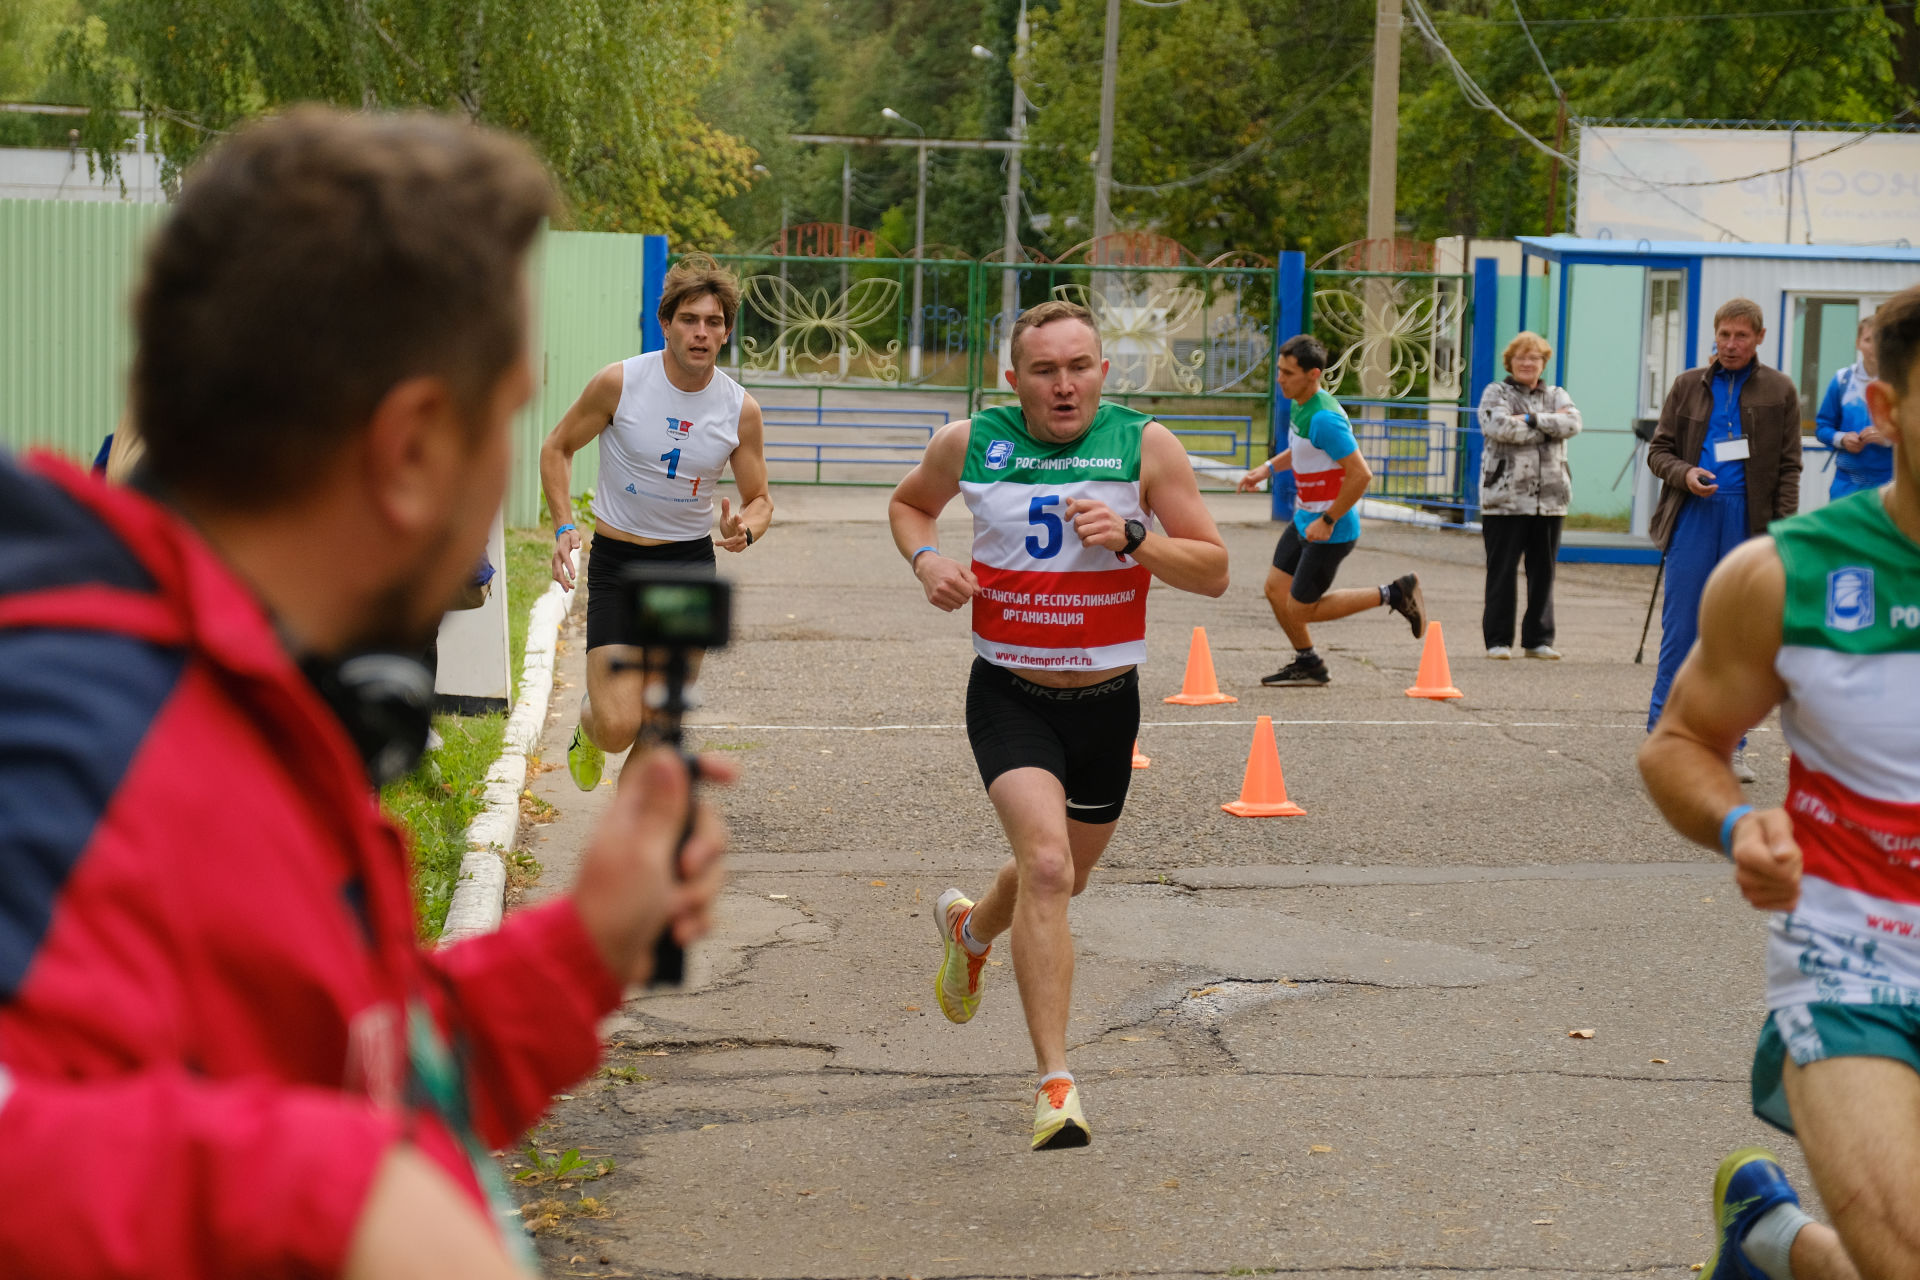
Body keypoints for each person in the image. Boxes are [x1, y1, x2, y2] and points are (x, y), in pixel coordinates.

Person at [0, 108, 730, 1279]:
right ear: (408, 452)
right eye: (505, 416)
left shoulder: (258, 700)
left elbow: (351, 1066)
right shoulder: (63, 730)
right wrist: (336, 1196)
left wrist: (584, 949)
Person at [888, 300, 1229, 1150]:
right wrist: (927, 558)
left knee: (1061, 879)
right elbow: (909, 506)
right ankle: (1056, 1085)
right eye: (1045, 370)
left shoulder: (1145, 446)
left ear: (1104, 372)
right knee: (1044, 868)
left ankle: (969, 934)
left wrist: (1135, 537)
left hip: (1108, 705)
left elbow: (1216, 570)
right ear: (1015, 379)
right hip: (1009, 693)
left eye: (1079, 366)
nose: (1064, 384)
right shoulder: (969, 441)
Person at [1638, 285, 1920, 1280]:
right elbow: (1679, 741)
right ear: (1886, 413)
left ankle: (1774, 1241)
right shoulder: (1787, 576)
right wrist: (1736, 823)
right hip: (1858, 964)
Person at [540, 253, 773, 791]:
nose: (701, 332)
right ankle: (589, 717)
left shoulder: (740, 410)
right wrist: (562, 526)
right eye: (689, 319)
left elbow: (760, 497)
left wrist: (746, 527)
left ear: (726, 332)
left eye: (713, 322)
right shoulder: (619, 383)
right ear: (666, 323)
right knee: (619, 726)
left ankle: (626, 849)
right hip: (620, 564)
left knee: (660, 726)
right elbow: (557, 447)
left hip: (686, 566)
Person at [1646, 298, 1802, 783]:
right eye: (1724, 335)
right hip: (1694, 515)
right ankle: (1664, 739)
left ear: (1759, 338)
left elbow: (1789, 468)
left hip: (1749, 524)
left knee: (1740, 640)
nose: (1731, 344)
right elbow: (1659, 451)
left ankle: (1732, 745)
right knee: (1682, 633)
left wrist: (1780, 533)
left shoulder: (1780, 389)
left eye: (1741, 336)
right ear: (1714, 335)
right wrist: (1686, 472)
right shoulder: (1688, 385)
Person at [1235, 334, 1426, 686]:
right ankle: (1309, 663)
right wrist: (1268, 468)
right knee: (1276, 590)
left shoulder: (1325, 418)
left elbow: (1360, 474)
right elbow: (1303, 449)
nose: (1280, 379)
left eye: (1288, 373)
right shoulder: (1300, 404)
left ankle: (1395, 593)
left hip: (1330, 529)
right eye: (1279, 370)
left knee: (1301, 608)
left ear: (1314, 374)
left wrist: (1328, 520)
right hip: (1306, 518)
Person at [1476, 330, 1582, 660]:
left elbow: (1574, 423)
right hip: (1504, 499)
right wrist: (1549, 428)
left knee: (1543, 572)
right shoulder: (1496, 392)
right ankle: (1498, 640)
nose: (1527, 363)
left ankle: (1538, 640)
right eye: (1521, 357)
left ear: (1543, 363)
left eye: (1534, 358)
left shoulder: (1557, 394)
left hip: (1551, 500)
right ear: (1510, 361)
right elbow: (1499, 427)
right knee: (1502, 572)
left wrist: (1532, 419)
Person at [1814, 314, 1892, 503]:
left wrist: (1888, 438)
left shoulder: (1899, 383)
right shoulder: (1842, 380)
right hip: (1847, 484)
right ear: (1858, 343)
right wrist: (1842, 439)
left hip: (1889, 483)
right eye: (1868, 340)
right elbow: (1822, 427)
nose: (1874, 346)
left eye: (1880, 339)